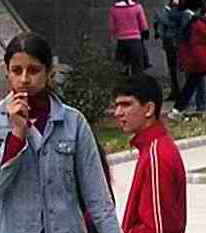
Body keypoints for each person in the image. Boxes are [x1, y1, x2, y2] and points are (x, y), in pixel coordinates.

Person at [1, 32, 121, 233]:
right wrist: (16, 135)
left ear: (49, 72)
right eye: (17, 70)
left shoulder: (73, 122)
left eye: (33, 70)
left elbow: (99, 198)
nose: (24, 79)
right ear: (7, 72)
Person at [113, 74, 187, 233]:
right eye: (117, 105)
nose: (118, 112)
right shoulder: (152, 148)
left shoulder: (157, 155)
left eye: (126, 105)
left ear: (149, 109)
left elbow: (159, 228)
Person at [152, 0, 186, 103]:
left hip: (174, 39)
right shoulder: (171, 4)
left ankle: (179, 91)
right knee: (172, 67)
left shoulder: (178, 5)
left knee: (176, 67)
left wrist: (161, 18)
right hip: (168, 38)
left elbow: (173, 22)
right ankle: (175, 90)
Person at [109, 0, 151, 77]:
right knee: (138, 69)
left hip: (121, 42)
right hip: (135, 41)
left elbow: (112, 28)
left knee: (122, 70)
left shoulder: (113, 9)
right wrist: (145, 34)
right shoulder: (137, 7)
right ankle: (137, 89)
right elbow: (144, 26)